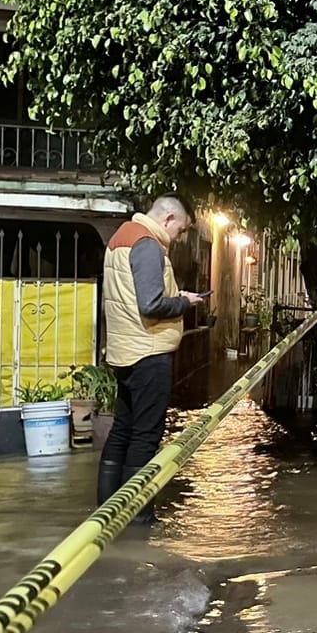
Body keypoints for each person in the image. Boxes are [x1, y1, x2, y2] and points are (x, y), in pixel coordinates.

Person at [98, 196, 205, 517]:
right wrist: (184, 302)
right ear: (169, 218)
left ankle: (106, 512)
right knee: (145, 438)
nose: (180, 238)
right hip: (149, 352)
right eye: (181, 230)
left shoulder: (121, 237)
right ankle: (137, 518)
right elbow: (151, 305)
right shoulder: (146, 245)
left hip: (126, 351)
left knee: (122, 431)